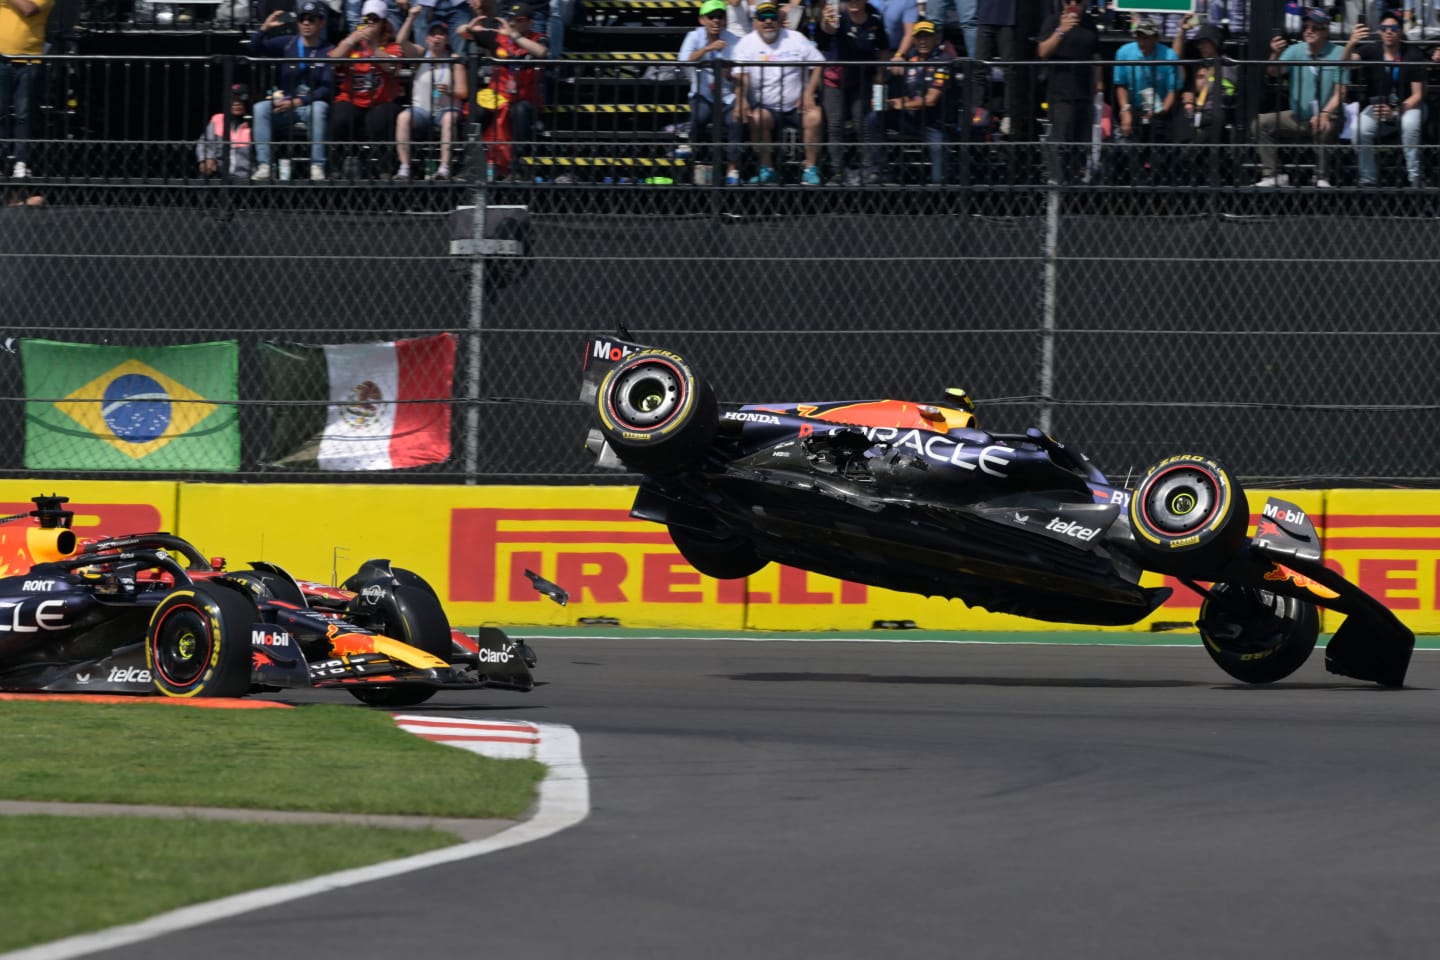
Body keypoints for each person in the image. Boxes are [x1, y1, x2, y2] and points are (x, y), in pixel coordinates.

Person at [732, 0, 825, 184]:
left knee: (815, 115)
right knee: (756, 118)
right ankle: (767, 168)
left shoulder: (796, 38)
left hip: (796, 105)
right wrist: (741, 99)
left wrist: (808, 93)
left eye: (772, 17)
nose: (768, 22)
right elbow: (741, 76)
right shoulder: (745, 44)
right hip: (766, 107)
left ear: (779, 19)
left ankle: (810, 168)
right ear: (755, 22)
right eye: (763, 18)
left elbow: (819, 63)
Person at [1252, 7, 1347, 188]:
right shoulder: (1295, 50)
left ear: (1326, 30)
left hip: (1329, 116)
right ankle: (1273, 174)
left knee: (1325, 127)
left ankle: (1322, 176)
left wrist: (1325, 113)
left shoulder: (1338, 53)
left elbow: (1340, 93)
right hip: (1298, 116)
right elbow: (1274, 72)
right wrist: (1275, 54)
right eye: (1306, 27)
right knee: (1260, 124)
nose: (1309, 31)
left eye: (1315, 27)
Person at [250, 1, 334, 182]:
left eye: (311, 19)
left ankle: (317, 165)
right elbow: (254, 48)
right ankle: (264, 165)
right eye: (302, 19)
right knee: (260, 109)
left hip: (309, 105)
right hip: (286, 105)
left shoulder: (328, 50)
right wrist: (264, 28)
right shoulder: (288, 43)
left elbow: (326, 89)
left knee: (319, 108)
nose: (306, 23)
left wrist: (298, 102)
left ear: (322, 23)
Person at [863, 18, 950, 184]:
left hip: (935, 124)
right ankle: (879, 170)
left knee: (939, 179)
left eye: (927, 36)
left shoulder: (943, 61)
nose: (923, 41)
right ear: (914, 40)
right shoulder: (911, 61)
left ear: (936, 38)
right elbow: (910, 97)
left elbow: (931, 100)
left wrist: (900, 104)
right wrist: (888, 102)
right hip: (912, 119)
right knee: (875, 117)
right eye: (919, 37)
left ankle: (943, 195)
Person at [328, 0, 406, 178]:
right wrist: (350, 40)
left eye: (375, 20)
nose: (370, 23)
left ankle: (384, 169)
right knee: (340, 115)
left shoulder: (391, 46)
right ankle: (335, 168)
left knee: (379, 118)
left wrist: (373, 47)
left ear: (383, 23)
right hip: (352, 100)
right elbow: (333, 61)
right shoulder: (352, 44)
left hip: (381, 101)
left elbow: (392, 68)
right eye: (367, 19)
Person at [814, 0, 889, 186]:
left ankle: (868, 170)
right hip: (835, 79)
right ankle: (837, 172)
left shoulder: (875, 19)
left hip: (861, 79)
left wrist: (880, 74)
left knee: (862, 123)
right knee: (835, 125)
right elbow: (824, 37)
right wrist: (826, 24)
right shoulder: (836, 16)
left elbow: (884, 48)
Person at [1348, 15, 1426, 187]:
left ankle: (1415, 177)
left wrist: (1396, 111)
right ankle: (1368, 179)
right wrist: (1351, 43)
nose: (1388, 32)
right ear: (1379, 32)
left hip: (1408, 107)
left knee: (1409, 124)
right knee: (1358, 131)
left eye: (1393, 28)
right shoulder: (1371, 50)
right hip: (1378, 108)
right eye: (1384, 29)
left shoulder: (1412, 54)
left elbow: (1418, 95)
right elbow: (1347, 64)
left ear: (1400, 31)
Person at [472, 0, 547, 180]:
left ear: (529, 22)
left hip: (525, 100)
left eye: (518, 20)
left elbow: (542, 52)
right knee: (476, 111)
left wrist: (515, 37)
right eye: (511, 19)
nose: (513, 24)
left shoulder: (538, 37)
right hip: (500, 97)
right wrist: (471, 25)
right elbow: (465, 33)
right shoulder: (500, 38)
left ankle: (516, 167)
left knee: (519, 111)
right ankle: (472, 164)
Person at [395, 14, 469, 180]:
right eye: (433, 33)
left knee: (449, 119)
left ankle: (444, 168)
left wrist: (450, 91)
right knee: (403, 118)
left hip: (446, 109)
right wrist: (411, 17)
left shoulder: (454, 60)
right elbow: (400, 41)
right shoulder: (421, 55)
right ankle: (404, 167)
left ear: (447, 39)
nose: (437, 37)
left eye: (441, 34)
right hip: (421, 110)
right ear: (427, 38)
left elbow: (463, 91)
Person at [1036, 0, 1101, 183]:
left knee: (1082, 147)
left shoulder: (1090, 23)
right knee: (1061, 146)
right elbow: (1042, 52)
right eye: (1068, 1)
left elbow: (1096, 55)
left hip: (1085, 95)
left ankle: (1076, 191)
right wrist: (1061, 30)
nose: (1072, 4)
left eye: (1078, 1)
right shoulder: (1052, 20)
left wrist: (1098, 83)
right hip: (1061, 96)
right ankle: (1056, 189)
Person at [679, 0, 742, 185]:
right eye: (711, 16)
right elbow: (683, 60)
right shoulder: (694, 36)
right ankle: (693, 153)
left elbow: (740, 73)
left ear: (725, 20)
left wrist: (728, 73)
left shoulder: (734, 40)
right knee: (700, 114)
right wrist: (708, 49)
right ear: (702, 20)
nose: (716, 20)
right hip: (702, 94)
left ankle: (733, 169)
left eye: (720, 16)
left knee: (735, 120)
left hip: (727, 96)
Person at [1112, 17, 1180, 182]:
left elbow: (1173, 90)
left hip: (1160, 111)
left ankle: (1157, 190)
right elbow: (1120, 85)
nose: (1142, 41)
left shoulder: (1169, 56)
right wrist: (1125, 111)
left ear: (1156, 38)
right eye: (1139, 36)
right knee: (1129, 152)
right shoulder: (1124, 53)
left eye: (1146, 37)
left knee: (1160, 155)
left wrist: (1161, 110)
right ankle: (1134, 190)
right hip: (1134, 107)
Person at [0, 0, 53, 179]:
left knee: (24, 114)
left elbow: (28, 9)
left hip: (29, 60)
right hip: (1, 58)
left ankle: (21, 162)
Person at [1171, 16, 1235, 147]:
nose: (1200, 46)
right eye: (1199, 43)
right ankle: (1182, 153)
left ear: (1215, 43)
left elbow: (1227, 95)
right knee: (1180, 115)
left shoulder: (1229, 66)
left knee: (1216, 119)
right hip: (1194, 111)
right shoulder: (1197, 63)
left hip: (1213, 113)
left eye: (1204, 42)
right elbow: (1175, 59)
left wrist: (1205, 84)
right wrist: (1182, 31)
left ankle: (1189, 153)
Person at [196, 83, 255, 180]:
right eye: (233, 99)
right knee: (204, 174)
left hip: (245, 178)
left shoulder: (253, 123)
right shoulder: (218, 119)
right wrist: (207, 158)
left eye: (240, 99)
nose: (236, 103)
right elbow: (204, 142)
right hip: (219, 174)